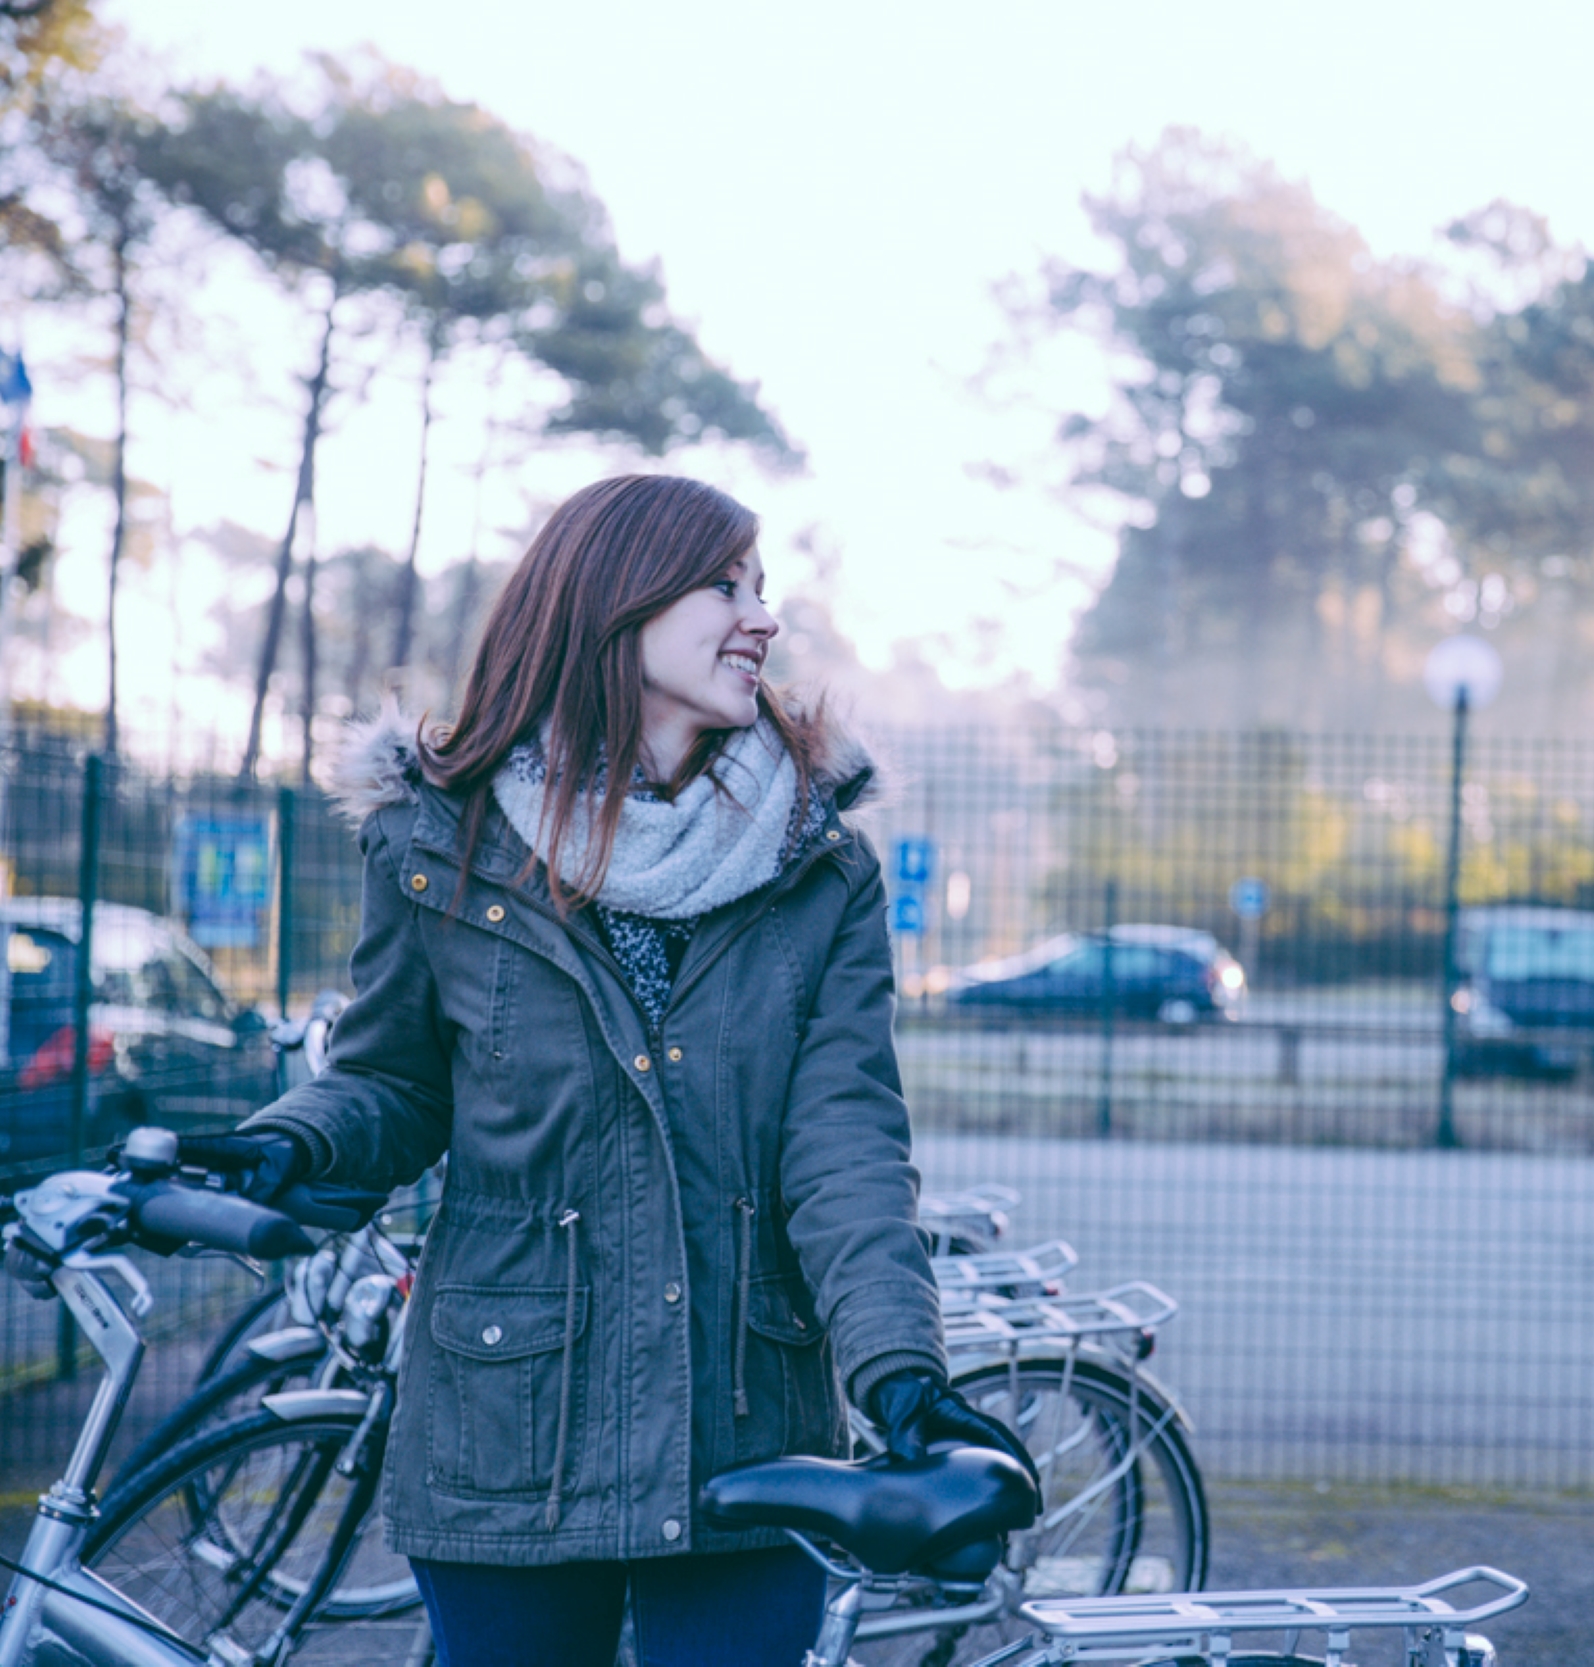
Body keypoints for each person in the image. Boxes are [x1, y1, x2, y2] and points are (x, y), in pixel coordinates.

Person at [195, 475, 1031, 1667]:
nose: (763, 617)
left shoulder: (819, 868)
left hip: (747, 1430)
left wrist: (901, 1372)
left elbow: (844, 1141)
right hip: (507, 1424)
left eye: (764, 587)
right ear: (615, 602)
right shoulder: (441, 838)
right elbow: (395, 1084)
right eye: (725, 584)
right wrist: (293, 1138)